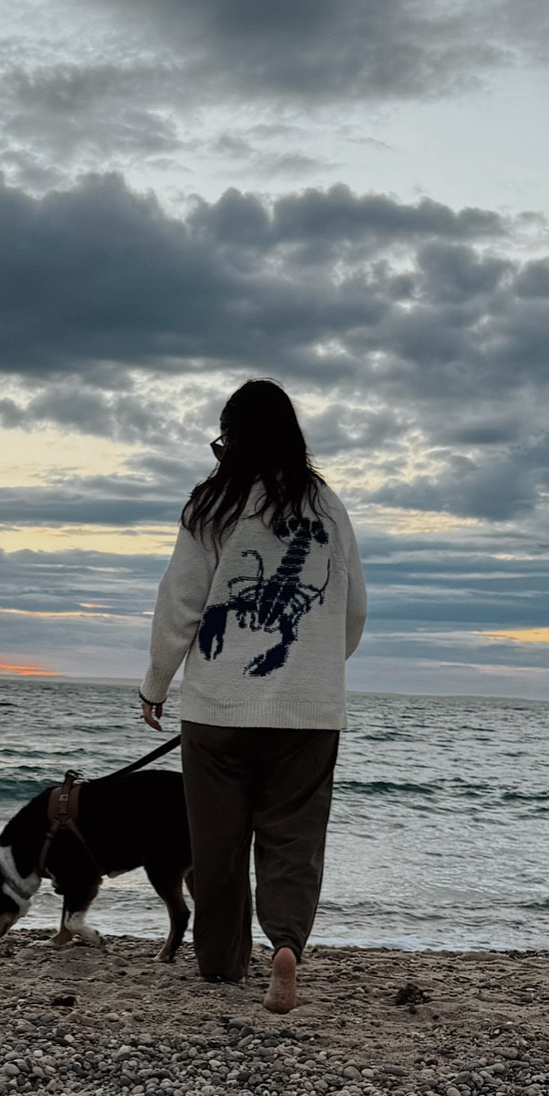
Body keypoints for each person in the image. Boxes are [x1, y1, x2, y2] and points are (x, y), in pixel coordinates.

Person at [139, 379, 366, 1014]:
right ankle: (286, 945)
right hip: (309, 710)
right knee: (293, 835)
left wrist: (155, 684)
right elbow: (353, 608)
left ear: (231, 437)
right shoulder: (327, 503)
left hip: (218, 709)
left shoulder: (213, 502)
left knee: (218, 838)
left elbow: (181, 602)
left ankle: (220, 964)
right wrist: (315, 670)